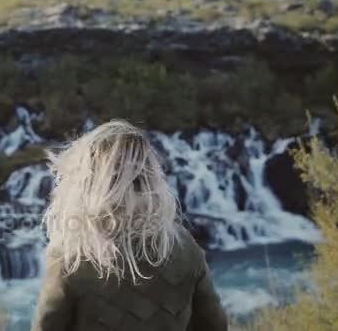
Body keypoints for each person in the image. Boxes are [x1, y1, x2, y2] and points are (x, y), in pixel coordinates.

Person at [31, 120, 227, 331]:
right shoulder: (183, 244)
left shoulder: (72, 255)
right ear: (152, 176)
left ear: (86, 179)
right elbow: (214, 325)